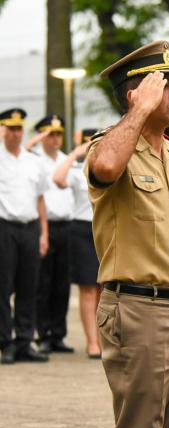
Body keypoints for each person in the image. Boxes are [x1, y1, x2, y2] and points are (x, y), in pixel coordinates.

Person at [86, 40, 169, 428]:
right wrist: (136, 112)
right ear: (136, 93)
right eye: (165, 83)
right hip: (139, 311)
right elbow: (105, 170)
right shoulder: (110, 145)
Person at [0, 108, 50, 364]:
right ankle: (6, 342)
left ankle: (24, 341)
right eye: (11, 128)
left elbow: (40, 199)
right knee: (3, 287)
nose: (16, 133)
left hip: (30, 228)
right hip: (5, 228)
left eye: (19, 129)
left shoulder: (33, 160)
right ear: (2, 130)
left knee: (29, 287)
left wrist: (44, 233)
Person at [28, 115, 76, 354]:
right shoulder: (34, 159)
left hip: (67, 226)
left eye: (58, 134)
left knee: (62, 284)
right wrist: (35, 140)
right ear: (42, 136)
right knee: (43, 282)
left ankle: (58, 334)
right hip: (44, 226)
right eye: (50, 134)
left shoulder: (67, 160)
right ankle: (43, 333)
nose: (56, 138)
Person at [52, 128, 101, 358]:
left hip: (105, 231)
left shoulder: (107, 168)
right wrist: (74, 154)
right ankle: (92, 342)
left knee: (105, 289)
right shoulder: (76, 170)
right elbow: (57, 179)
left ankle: (103, 339)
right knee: (88, 289)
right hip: (82, 230)